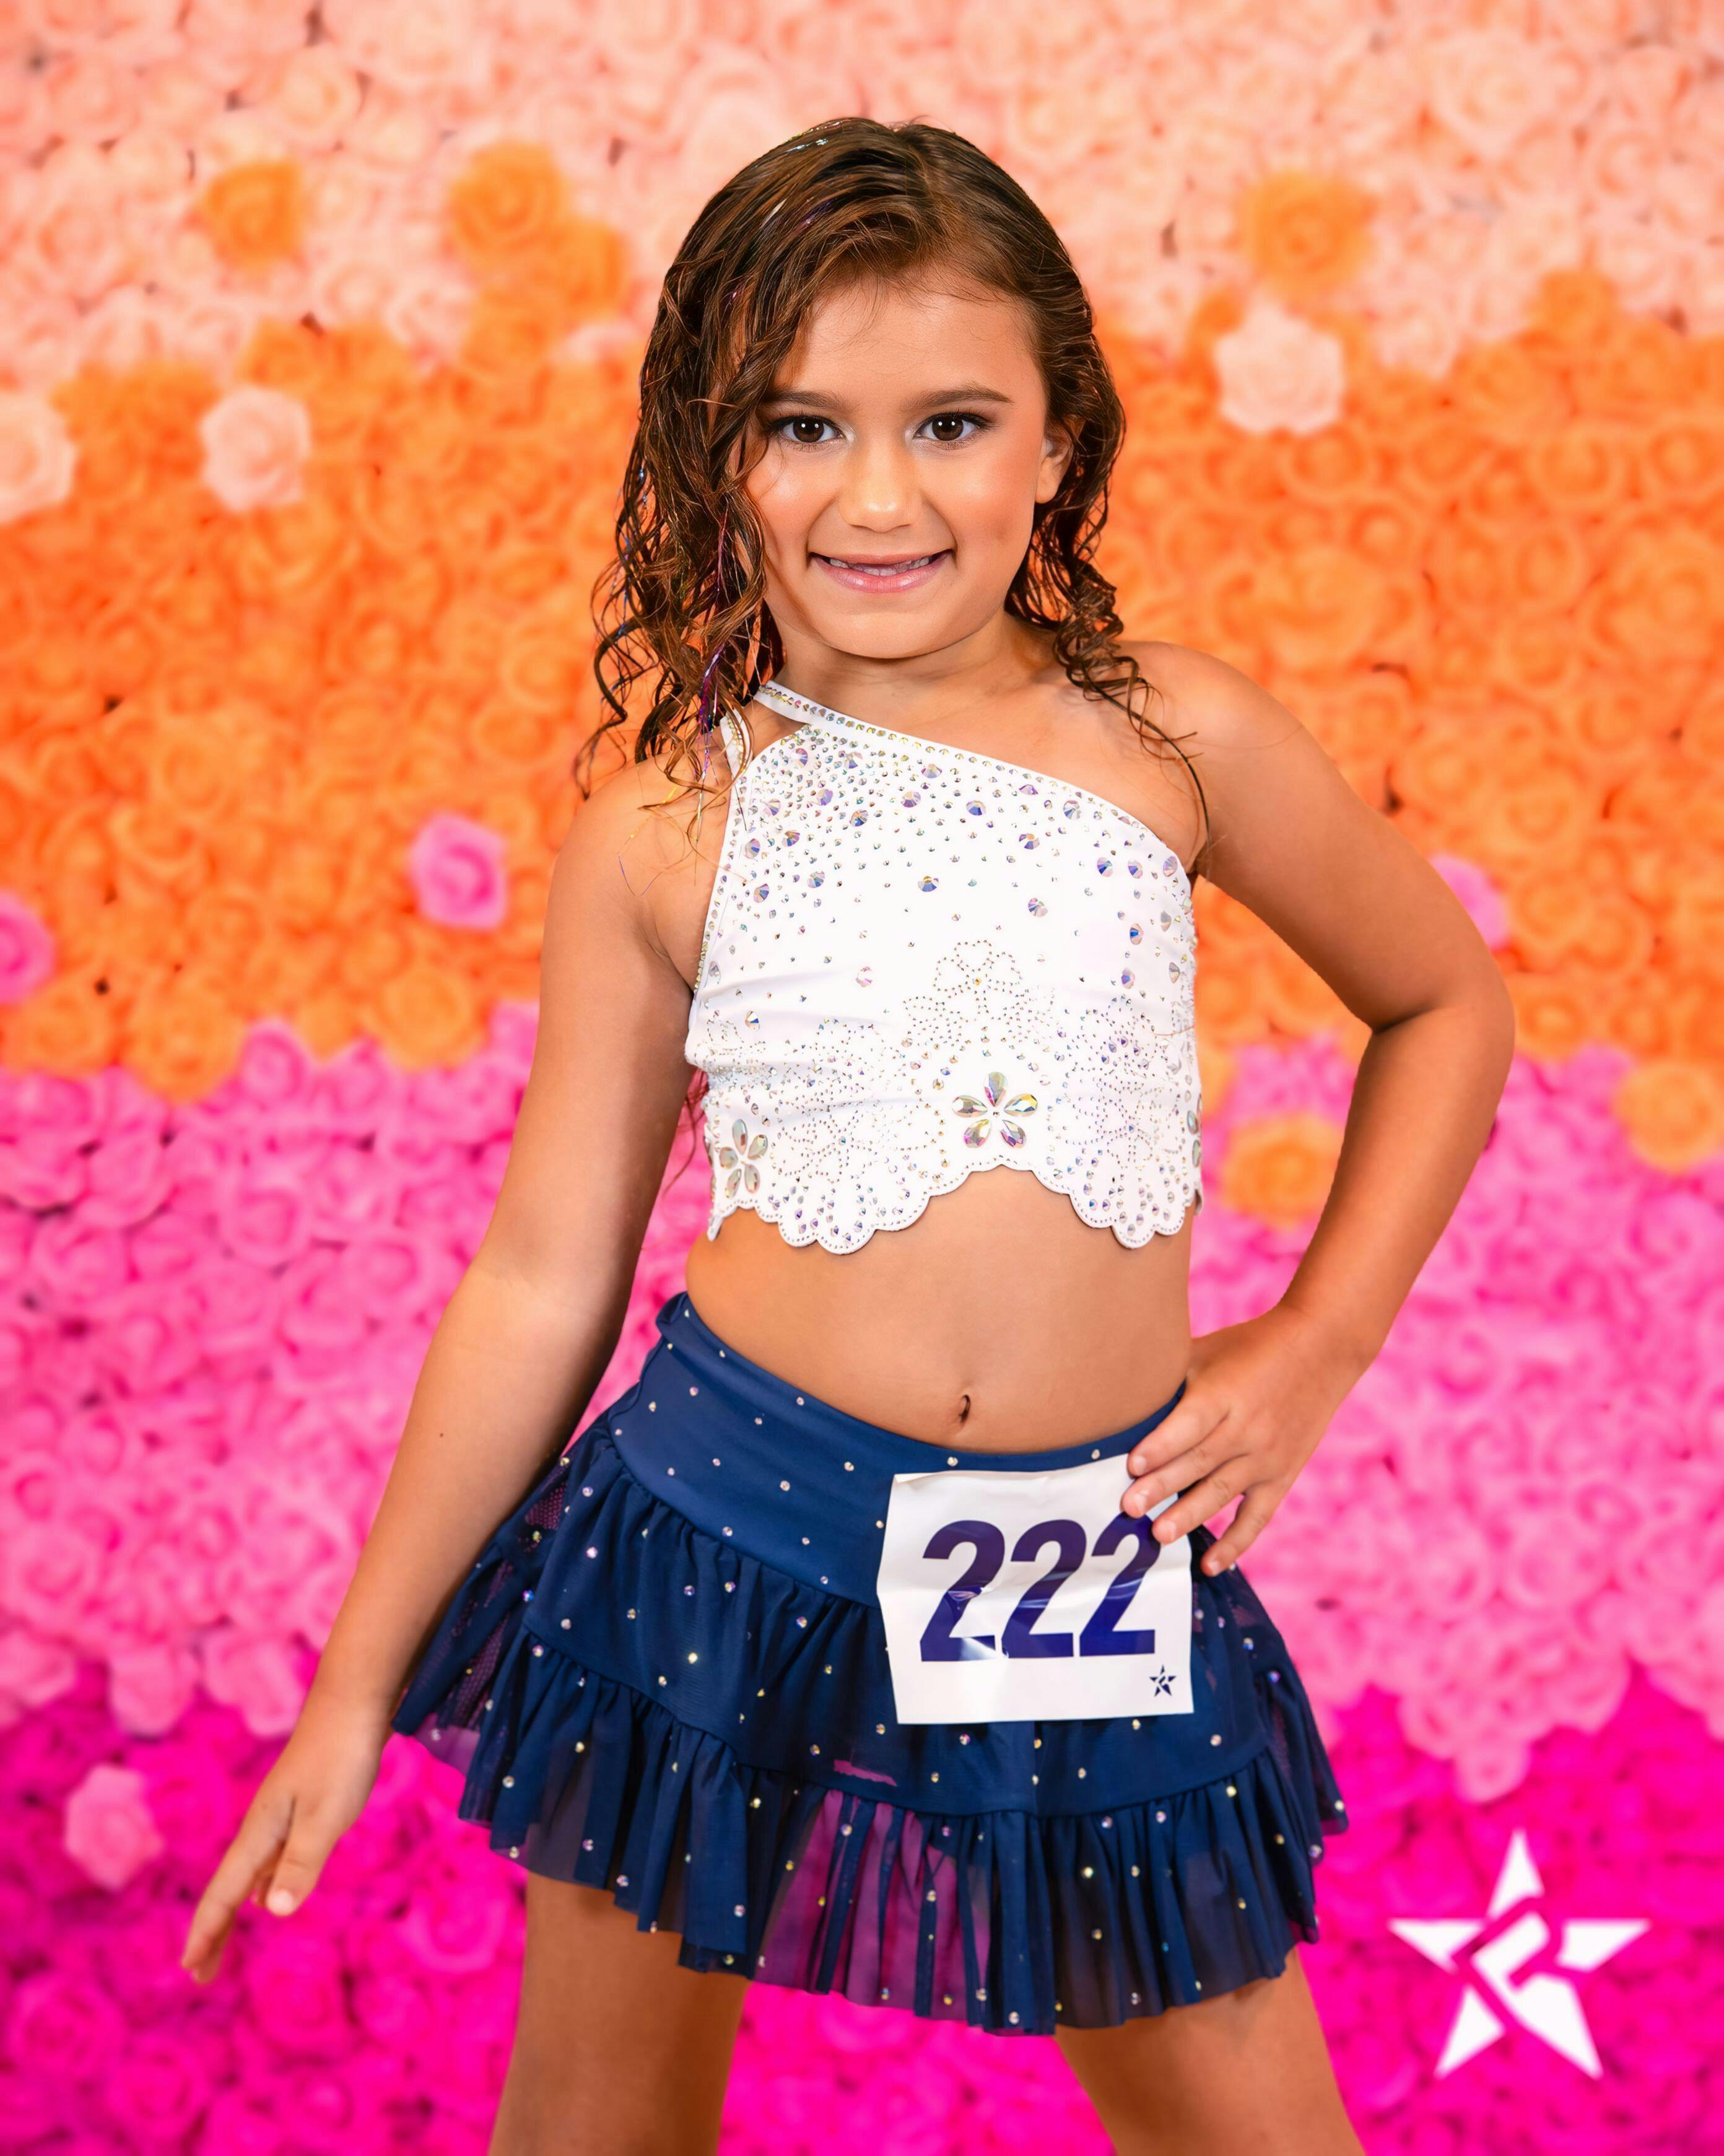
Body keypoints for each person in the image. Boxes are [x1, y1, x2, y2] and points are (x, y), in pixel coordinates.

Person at [180, 118, 1515, 2155]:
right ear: (715, 452)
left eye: (951, 423)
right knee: (600, 2128)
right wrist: (354, 1685)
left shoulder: (1177, 738)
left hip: (1078, 1544)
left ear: (1058, 440)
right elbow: (544, 1274)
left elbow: (1446, 1005)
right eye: (803, 426)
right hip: (725, 1529)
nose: (878, 495)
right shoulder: (666, 822)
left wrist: (1314, 1345)